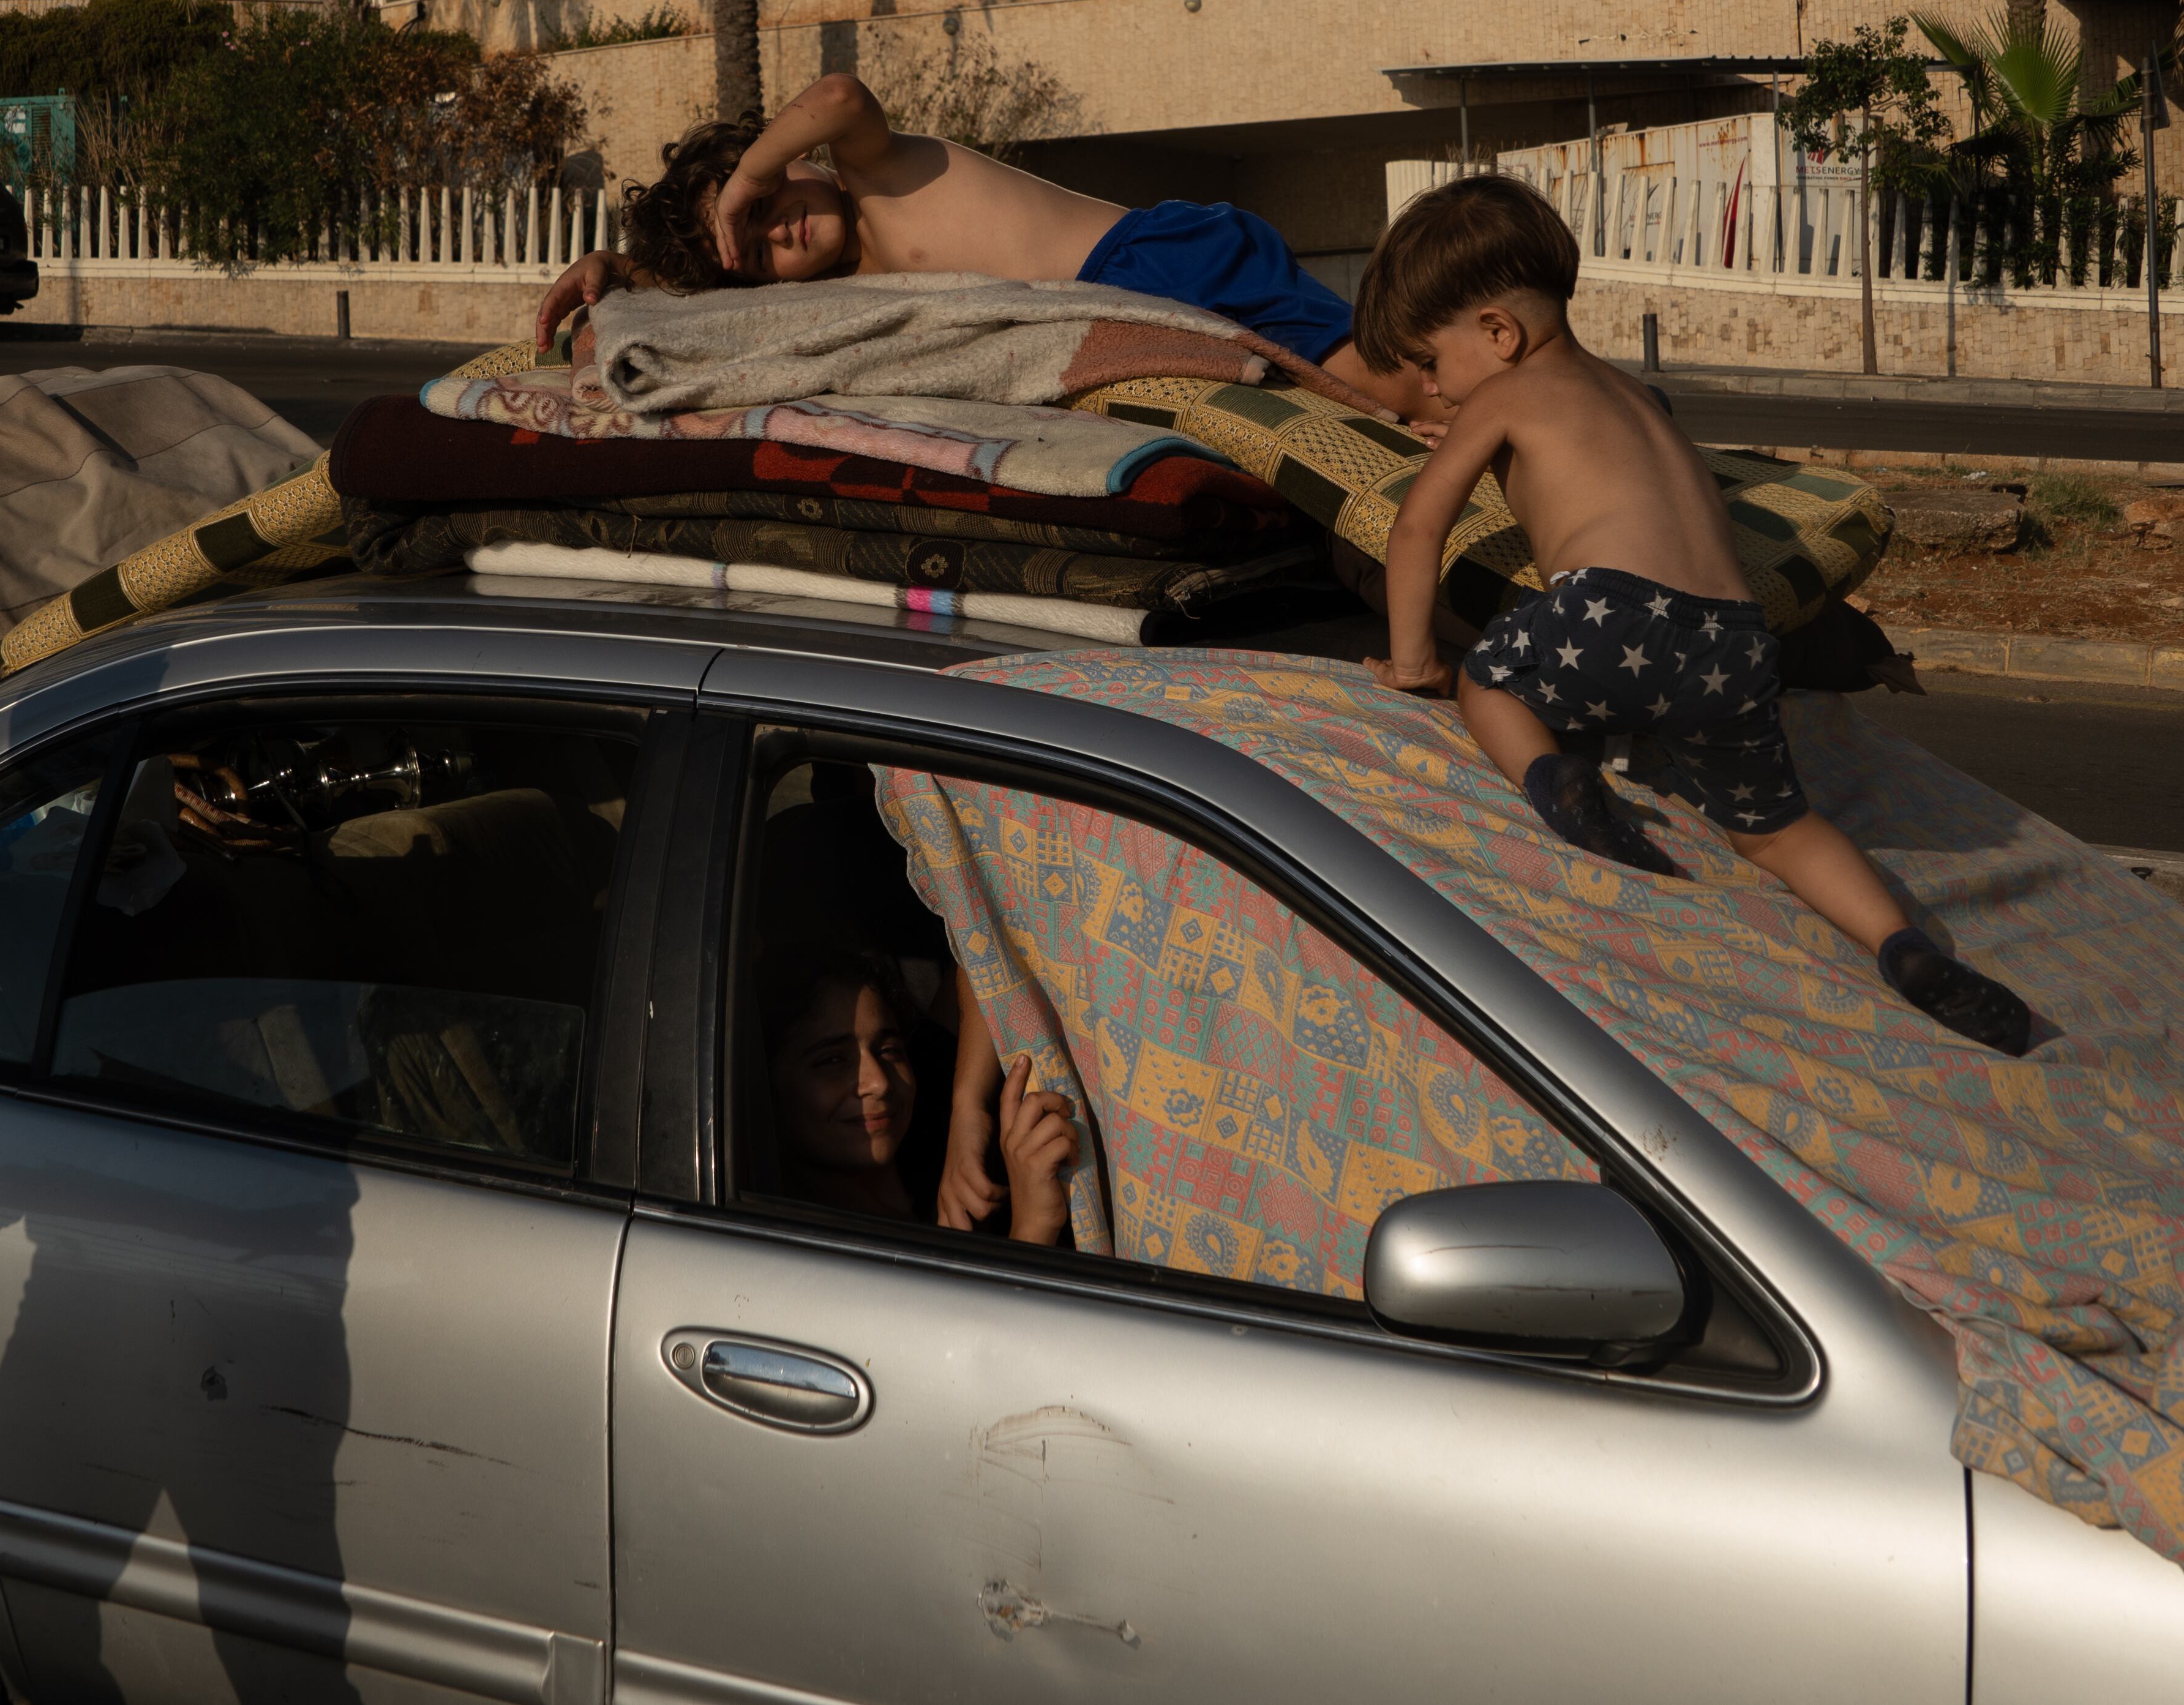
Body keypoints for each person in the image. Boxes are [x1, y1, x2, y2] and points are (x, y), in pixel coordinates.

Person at [1352, 175, 2033, 1056]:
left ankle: (1559, 784)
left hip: (1609, 610)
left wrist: (1414, 663)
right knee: (1779, 830)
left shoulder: (1499, 397)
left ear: (1498, 333)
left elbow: (1418, 525)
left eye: (1433, 364)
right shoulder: (1637, 398)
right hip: (1736, 642)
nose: (1436, 393)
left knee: (1490, 681)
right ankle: (1901, 944)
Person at [531, 72, 1433, 422]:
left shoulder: (871, 169)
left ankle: (1512, 407)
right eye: (762, 250)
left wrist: (745, 174)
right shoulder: (863, 279)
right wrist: (625, 272)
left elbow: (842, 93)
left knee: (1388, 387)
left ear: (792, 164)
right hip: (1135, 301)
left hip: (1158, 258)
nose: (779, 231)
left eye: (768, 203)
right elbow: (720, 310)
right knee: (1371, 408)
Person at [759, 945, 1075, 1245]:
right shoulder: (800, 1249)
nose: (879, 1082)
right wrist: (1033, 1226)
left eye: (888, 1050)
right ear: (767, 1084)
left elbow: (977, 949)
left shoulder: (931, 1114)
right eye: (832, 1061)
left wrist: (968, 1108)